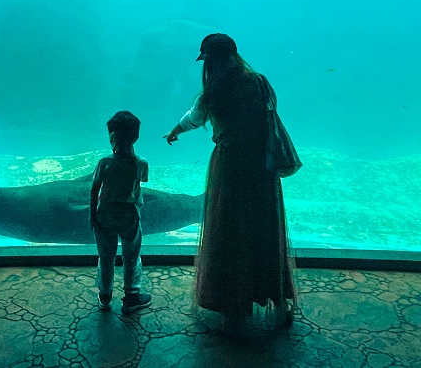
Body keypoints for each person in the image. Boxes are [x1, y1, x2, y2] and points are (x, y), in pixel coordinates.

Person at [164, 33, 296, 330]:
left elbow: (194, 118)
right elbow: (270, 113)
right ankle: (277, 299)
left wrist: (174, 131)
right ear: (235, 54)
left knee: (229, 228)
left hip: (229, 165)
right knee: (263, 225)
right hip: (261, 165)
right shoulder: (259, 82)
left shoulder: (211, 93)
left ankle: (230, 301)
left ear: (208, 61)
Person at [91, 111, 153, 313]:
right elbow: (142, 181)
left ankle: (105, 296)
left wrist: (92, 214)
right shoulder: (141, 163)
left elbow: (94, 189)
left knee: (106, 256)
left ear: (112, 137)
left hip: (105, 214)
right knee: (131, 255)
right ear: (136, 137)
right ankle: (132, 297)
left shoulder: (104, 163)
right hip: (129, 214)